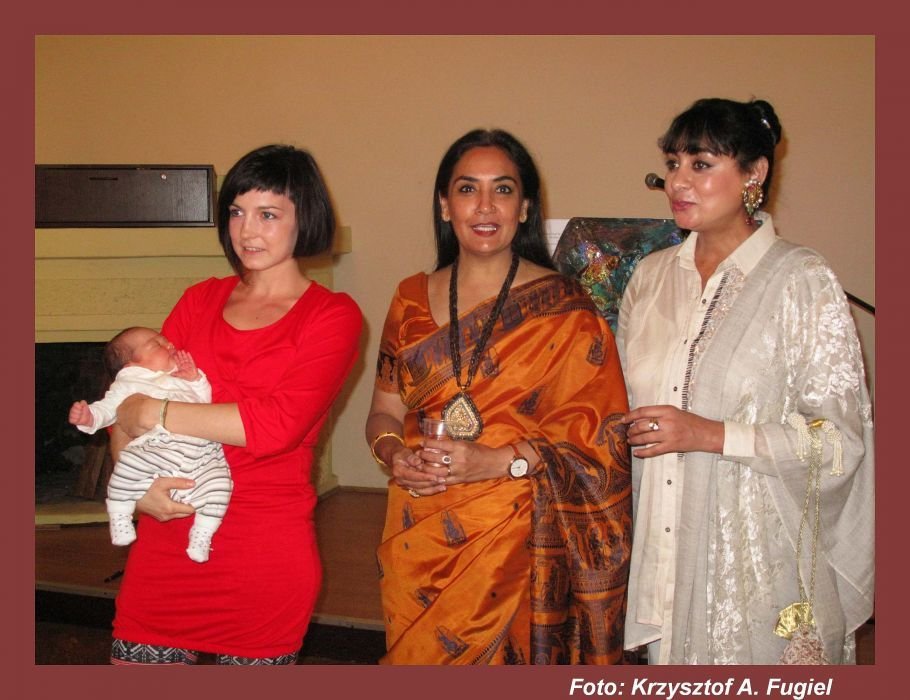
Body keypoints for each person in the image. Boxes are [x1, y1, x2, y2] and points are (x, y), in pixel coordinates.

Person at [616, 97, 874, 664]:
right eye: (673, 163)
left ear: (754, 173)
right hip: (661, 558)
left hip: (756, 569)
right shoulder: (650, 279)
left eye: (701, 164)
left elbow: (840, 442)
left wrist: (713, 435)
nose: (678, 181)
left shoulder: (801, 280)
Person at [365, 129, 632, 665]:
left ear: (525, 207)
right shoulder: (409, 299)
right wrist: (394, 456)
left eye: (503, 189)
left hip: (519, 536)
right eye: (467, 189)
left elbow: (598, 439)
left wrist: (499, 462)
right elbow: (384, 410)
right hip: (418, 528)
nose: (485, 206)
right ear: (445, 206)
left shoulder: (565, 308)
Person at [107, 144, 362, 665]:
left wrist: (155, 414)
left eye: (268, 214)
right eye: (237, 212)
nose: (247, 231)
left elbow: (277, 425)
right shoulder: (199, 299)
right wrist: (133, 484)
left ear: (304, 218)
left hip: (262, 552)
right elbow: (130, 398)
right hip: (166, 540)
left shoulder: (332, 316)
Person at [69, 327, 232, 563]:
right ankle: (120, 514)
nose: (169, 345)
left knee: (220, 484)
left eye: (166, 341)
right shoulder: (129, 383)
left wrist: (195, 380)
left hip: (202, 451)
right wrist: (89, 417)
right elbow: (108, 408)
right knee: (128, 465)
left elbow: (204, 403)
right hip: (158, 447)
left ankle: (202, 534)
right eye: (157, 345)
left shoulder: (180, 377)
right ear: (130, 365)